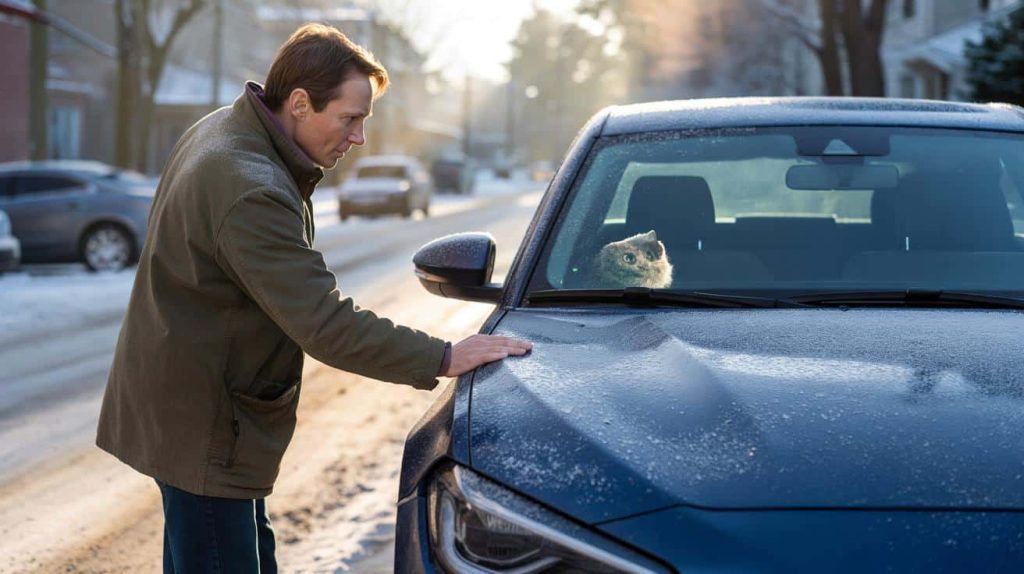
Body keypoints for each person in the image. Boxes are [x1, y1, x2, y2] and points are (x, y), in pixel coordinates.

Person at [95, 23, 531, 572]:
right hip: (205, 423)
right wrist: (444, 356)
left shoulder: (227, 131)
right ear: (299, 103)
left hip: (195, 406)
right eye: (350, 119)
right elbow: (324, 321)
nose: (358, 138)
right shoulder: (250, 185)